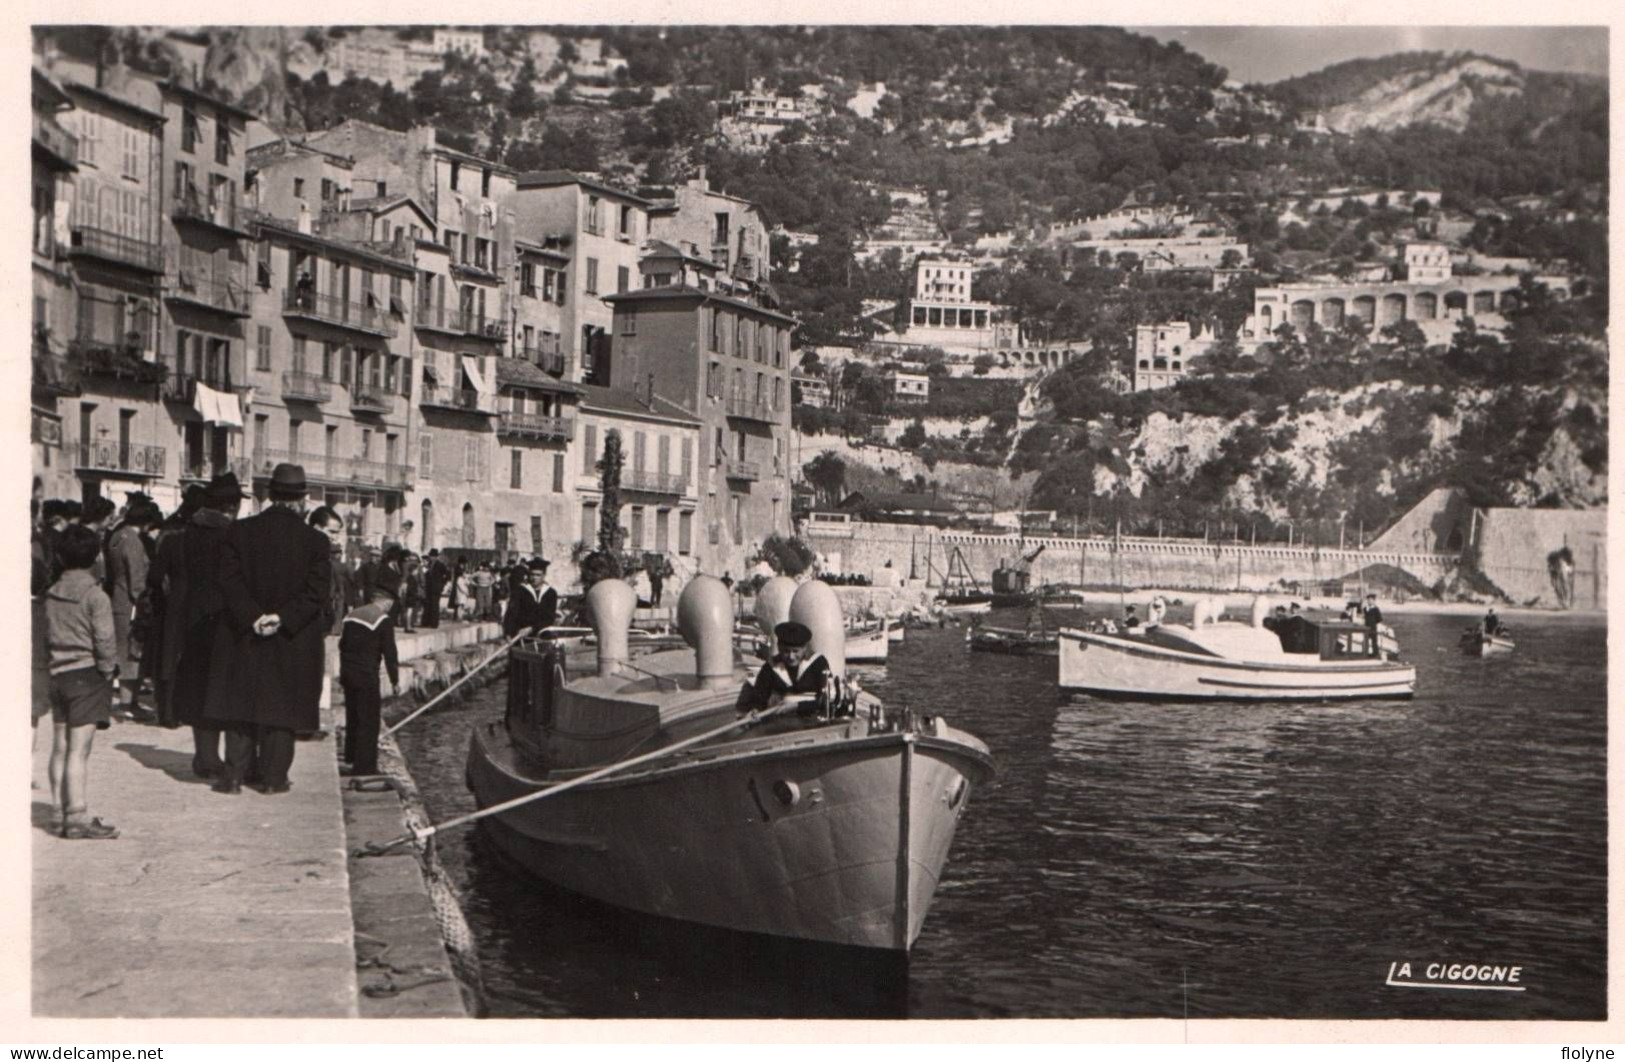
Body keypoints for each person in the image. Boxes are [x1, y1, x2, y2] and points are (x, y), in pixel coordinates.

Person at [201, 463, 331, 796]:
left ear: (270, 495)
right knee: (281, 706)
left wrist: (253, 616)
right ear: (302, 499)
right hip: (292, 638)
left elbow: (227, 581)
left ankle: (233, 776)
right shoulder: (315, 541)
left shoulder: (239, 531)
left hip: (243, 632)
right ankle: (273, 779)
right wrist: (282, 619)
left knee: (240, 703)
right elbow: (316, 593)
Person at [155, 473, 248, 774]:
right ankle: (225, 760)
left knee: (196, 686)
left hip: (190, 621)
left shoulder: (181, 536)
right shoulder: (236, 537)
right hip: (225, 621)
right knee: (224, 689)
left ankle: (205, 757)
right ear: (232, 506)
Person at [44, 525, 119, 840]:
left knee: (60, 747)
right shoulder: (95, 595)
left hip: (56, 674)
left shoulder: (50, 592)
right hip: (86, 675)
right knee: (79, 750)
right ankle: (77, 815)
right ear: (95, 557)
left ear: (60, 556)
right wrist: (107, 670)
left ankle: (60, 811)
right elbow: (104, 639)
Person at [339, 567, 400, 778]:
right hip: (367, 676)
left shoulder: (351, 616)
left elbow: (342, 645)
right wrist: (395, 680)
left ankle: (351, 756)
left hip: (348, 673)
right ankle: (365, 767)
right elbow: (390, 652)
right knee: (368, 720)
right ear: (386, 602)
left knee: (353, 716)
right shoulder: (383, 621)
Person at [106, 500, 161, 721]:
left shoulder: (118, 536)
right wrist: (145, 602)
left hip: (117, 599)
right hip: (131, 604)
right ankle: (129, 703)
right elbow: (137, 577)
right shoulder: (135, 542)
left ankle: (127, 702)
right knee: (132, 653)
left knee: (123, 650)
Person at [740, 621, 830, 714]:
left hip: (813, 718)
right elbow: (759, 698)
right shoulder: (770, 667)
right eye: (786, 651)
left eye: (796, 651)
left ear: (804, 648)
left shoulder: (818, 663)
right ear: (779, 647)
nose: (791, 656)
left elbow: (826, 700)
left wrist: (797, 706)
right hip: (781, 720)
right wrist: (755, 710)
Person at [308, 507, 352, 636]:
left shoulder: (324, 556)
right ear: (317, 528)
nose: (335, 538)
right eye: (331, 532)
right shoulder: (302, 553)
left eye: (337, 533)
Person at [503, 558, 558, 637]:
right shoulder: (520, 591)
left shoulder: (550, 593)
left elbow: (549, 617)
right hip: (521, 635)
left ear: (544, 575)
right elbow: (511, 614)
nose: (534, 578)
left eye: (538, 575)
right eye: (532, 574)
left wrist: (532, 628)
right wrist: (508, 632)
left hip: (543, 635)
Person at [421, 549, 447, 629]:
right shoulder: (428, 564)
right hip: (428, 587)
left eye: (433, 556)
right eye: (431, 556)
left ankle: (434, 623)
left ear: (436, 557)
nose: (431, 558)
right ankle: (425, 622)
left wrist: (442, 584)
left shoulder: (440, 565)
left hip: (436, 588)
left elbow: (446, 575)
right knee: (427, 605)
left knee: (435, 605)